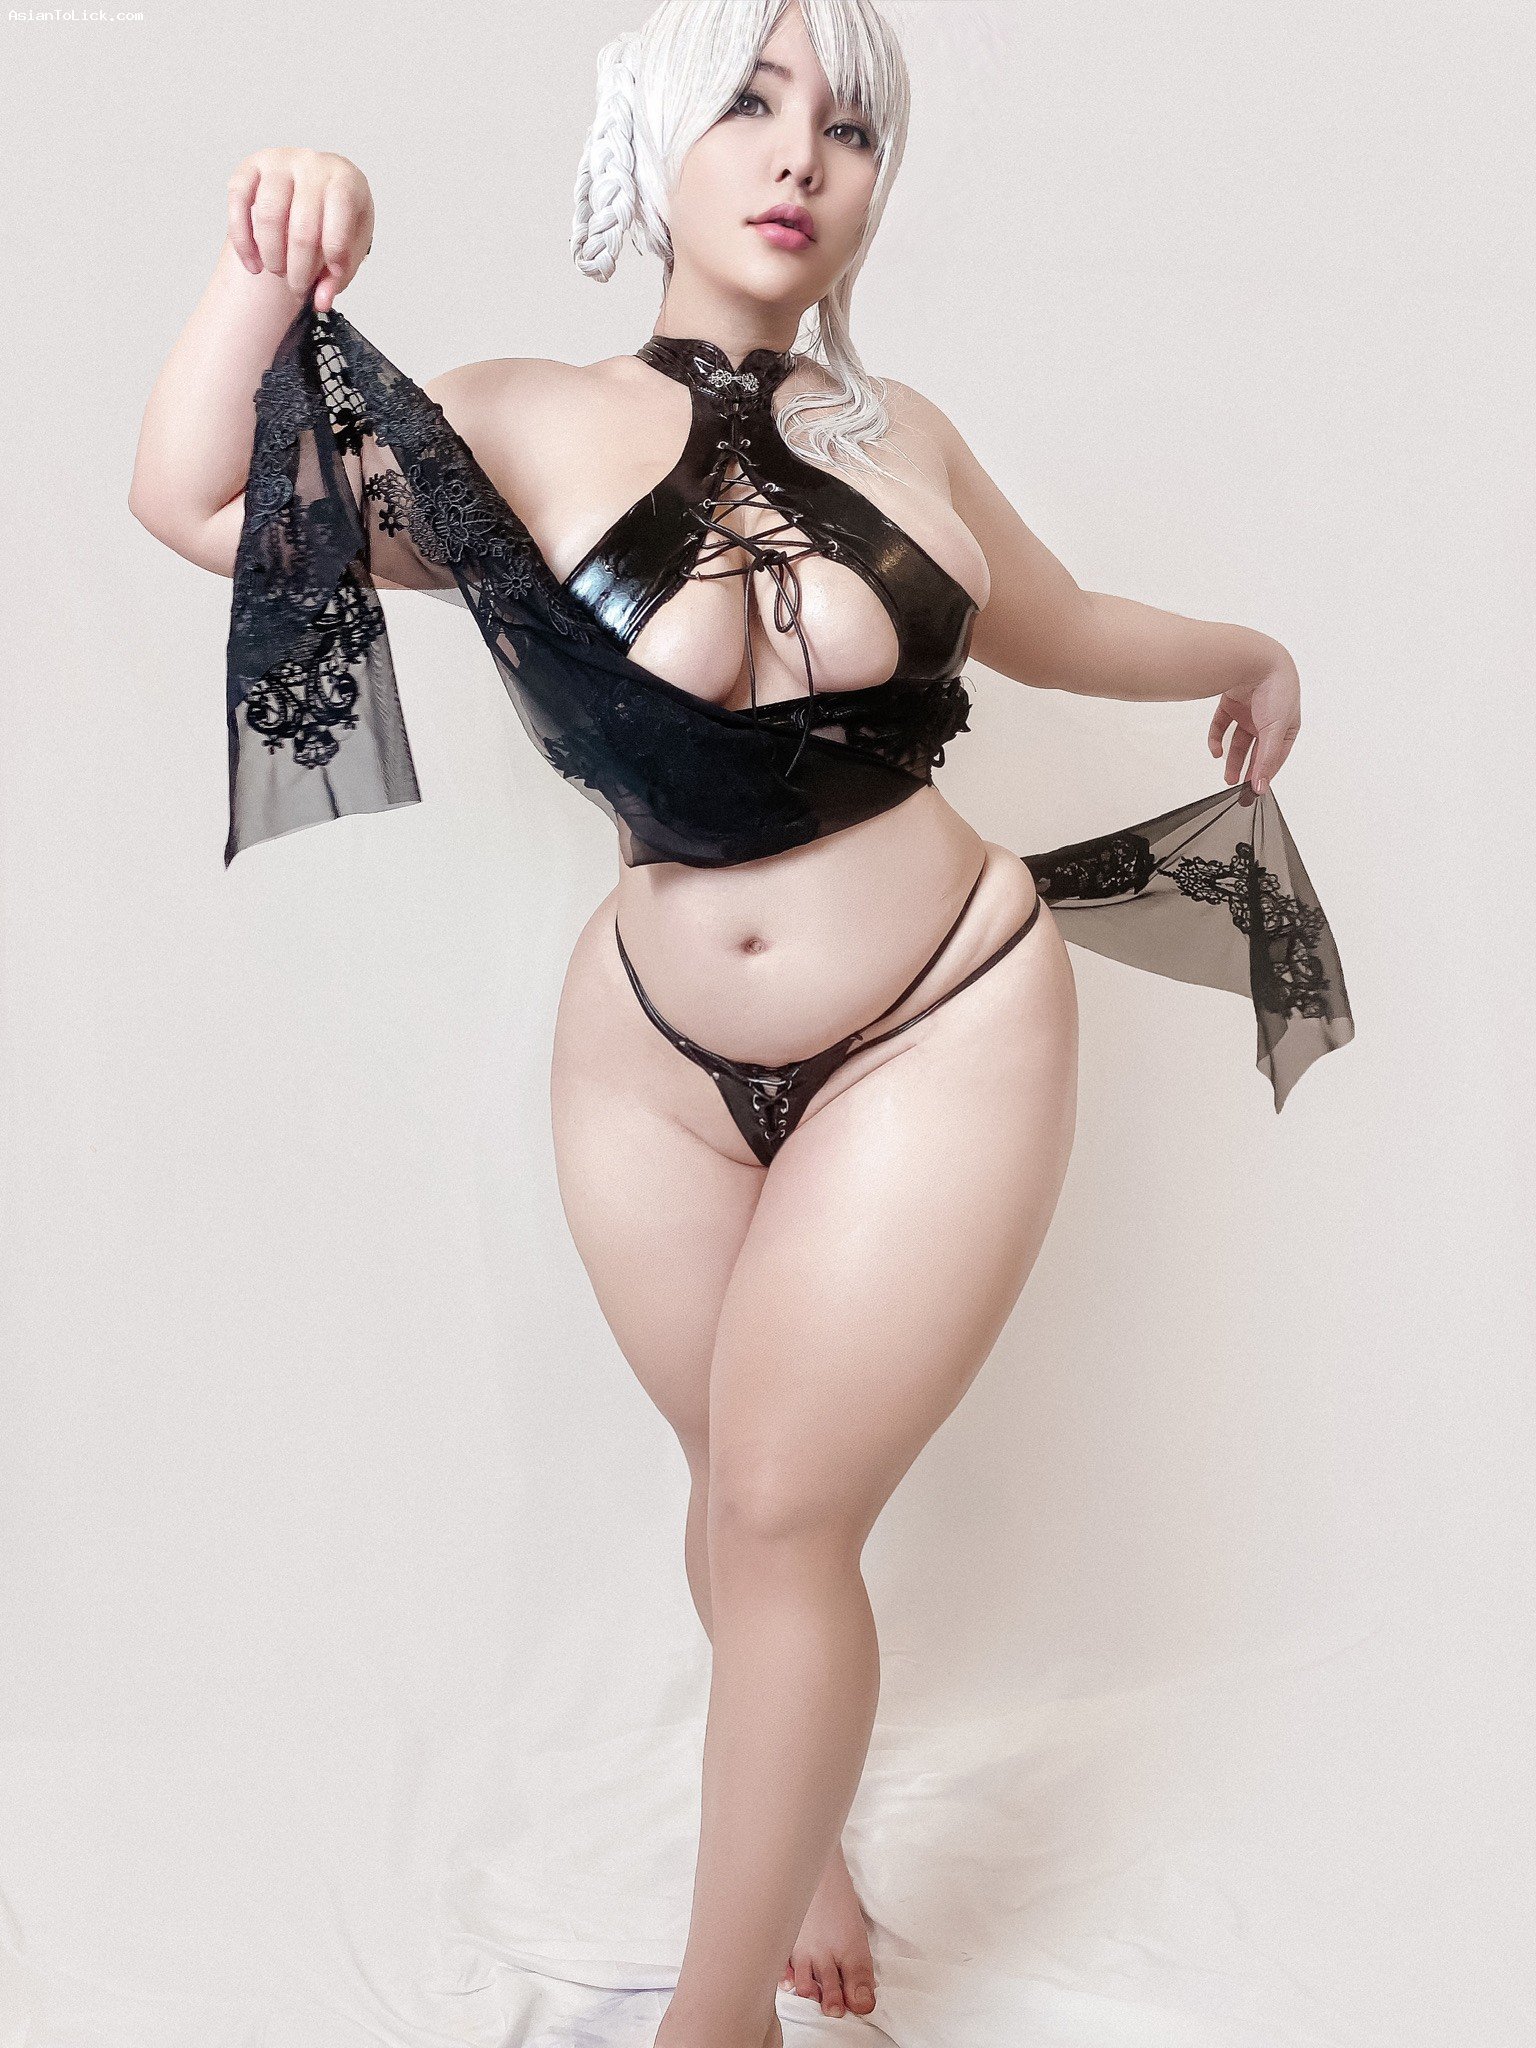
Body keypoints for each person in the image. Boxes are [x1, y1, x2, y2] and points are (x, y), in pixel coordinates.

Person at [127, 3, 1353, 2042]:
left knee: (784, 1509)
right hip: (648, 1058)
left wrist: (1251, 651)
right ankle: (805, 1840)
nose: (801, 154)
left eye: (850, 127)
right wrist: (274, 247)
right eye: (751, 101)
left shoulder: (908, 440)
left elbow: (1059, 624)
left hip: (944, 1015)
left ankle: (719, 2019)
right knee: (736, 1496)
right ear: (650, 140)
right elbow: (196, 500)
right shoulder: (522, 418)